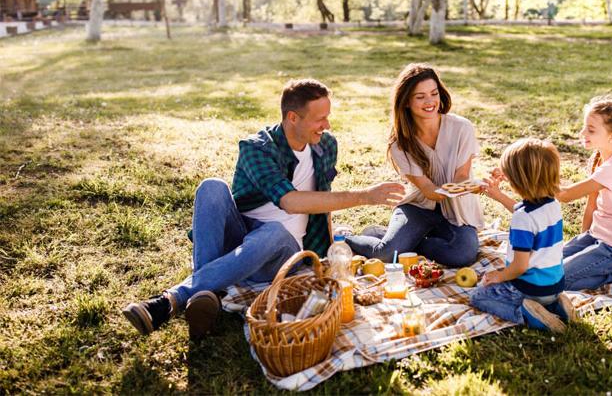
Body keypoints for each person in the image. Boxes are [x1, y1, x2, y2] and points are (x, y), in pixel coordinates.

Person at [122, 79, 405, 339]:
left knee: (273, 231)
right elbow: (290, 201)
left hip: (283, 252)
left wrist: (328, 250)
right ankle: (208, 293)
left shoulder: (326, 145)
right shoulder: (258, 148)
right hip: (241, 238)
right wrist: (366, 196)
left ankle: (172, 300)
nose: (327, 125)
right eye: (320, 119)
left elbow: (323, 199)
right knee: (211, 187)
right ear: (292, 117)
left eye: (327, 117)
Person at [345, 63, 482, 267]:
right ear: (406, 102)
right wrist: (452, 190)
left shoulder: (462, 128)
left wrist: (468, 187)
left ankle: (409, 243)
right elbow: (427, 191)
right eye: (420, 97)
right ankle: (344, 237)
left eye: (434, 93)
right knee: (385, 254)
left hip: (457, 210)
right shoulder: (399, 144)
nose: (430, 102)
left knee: (463, 256)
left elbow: (461, 175)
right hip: (418, 207)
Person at [470, 138, 576, 333]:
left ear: (518, 180)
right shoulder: (552, 204)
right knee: (544, 295)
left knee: (478, 296)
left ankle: (526, 314)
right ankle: (556, 305)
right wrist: (498, 195)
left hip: (529, 289)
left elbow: (520, 267)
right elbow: (523, 212)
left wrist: (499, 276)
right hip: (554, 286)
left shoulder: (522, 219)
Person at [556, 96, 612, 291]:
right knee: (546, 264)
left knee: (555, 281)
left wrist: (532, 174)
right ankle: (599, 266)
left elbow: (565, 195)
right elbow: (592, 204)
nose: (582, 133)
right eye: (584, 127)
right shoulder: (598, 158)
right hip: (598, 236)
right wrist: (583, 242)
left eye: (591, 129)